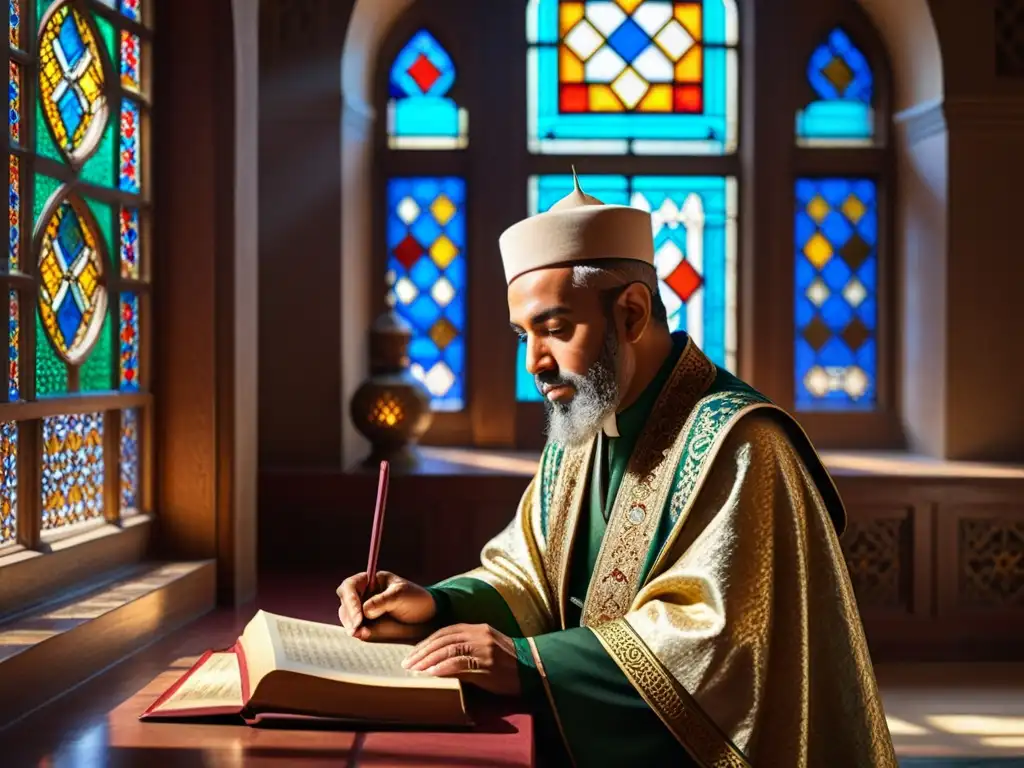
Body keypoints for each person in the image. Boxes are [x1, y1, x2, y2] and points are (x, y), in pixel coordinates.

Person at [337, 173, 898, 767]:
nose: (536, 362)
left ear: (631, 312)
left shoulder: (743, 444)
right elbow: (528, 575)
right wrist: (436, 605)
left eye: (555, 329)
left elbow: (722, 645)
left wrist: (532, 664)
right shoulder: (587, 417)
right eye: (523, 335)